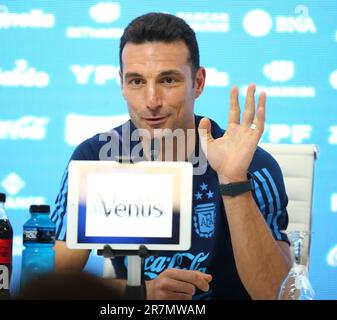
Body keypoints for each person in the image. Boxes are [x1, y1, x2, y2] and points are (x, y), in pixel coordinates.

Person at [50, 12, 292, 300]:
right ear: (122, 84)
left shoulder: (252, 165)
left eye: (168, 80)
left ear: (198, 82)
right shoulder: (96, 158)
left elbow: (280, 296)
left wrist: (233, 181)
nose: (152, 101)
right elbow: (54, 285)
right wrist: (141, 293)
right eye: (137, 81)